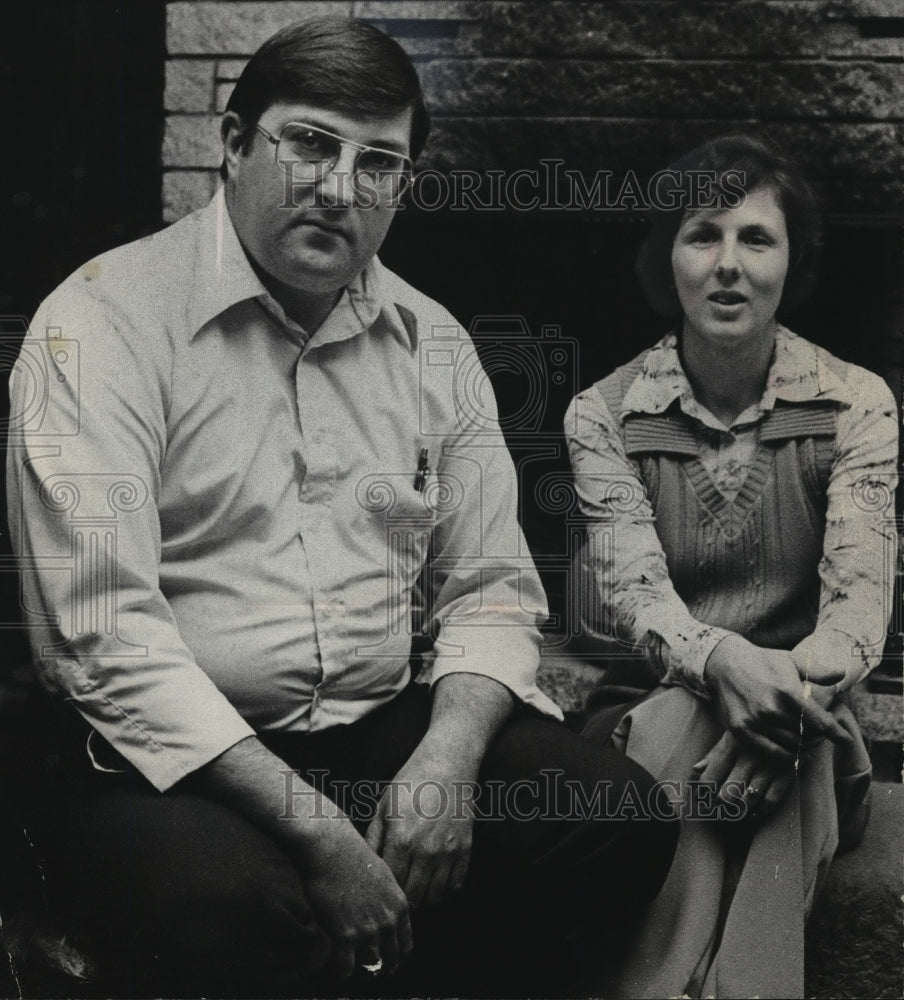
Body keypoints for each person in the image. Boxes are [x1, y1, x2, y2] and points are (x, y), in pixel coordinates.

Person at [6, 17, 678, 998]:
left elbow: (490, 590)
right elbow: (105, 643)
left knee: (611, 819)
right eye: (310, 142)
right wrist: (324, 835)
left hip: (371, 720)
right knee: (249, 911)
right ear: (232, 143)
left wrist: (445, 761)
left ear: (404, 184)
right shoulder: (100, 324)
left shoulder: (433, 343)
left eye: (378, 163)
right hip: (169, 757)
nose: (338, 186)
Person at [565, 134, 898, 999]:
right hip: (648, 725)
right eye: (702, 234)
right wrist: (727, 669)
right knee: (698, 716)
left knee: (788, 739)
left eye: (756, 238)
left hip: (809, 721)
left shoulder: (855, 403)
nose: (728, 265)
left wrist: (779, 692)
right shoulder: (603, 414)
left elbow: (858, 614)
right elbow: (640, 601)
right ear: (664, 256)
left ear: (792, 260)